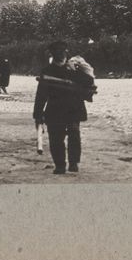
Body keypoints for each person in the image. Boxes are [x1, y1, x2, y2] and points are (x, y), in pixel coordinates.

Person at [32, 40, 94, 175]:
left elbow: (89, 81)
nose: (61, 54)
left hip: (73, 107)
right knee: (56, 137)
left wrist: (75, 71)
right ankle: (60, 165)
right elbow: (41, 94)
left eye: (63, 51)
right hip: (56, 108)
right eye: (57, 51)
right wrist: (37, 113)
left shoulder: (73, 68)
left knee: (74, 135)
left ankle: (73, 163)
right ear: (53, 53)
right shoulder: (47, 71)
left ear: (66, 52)